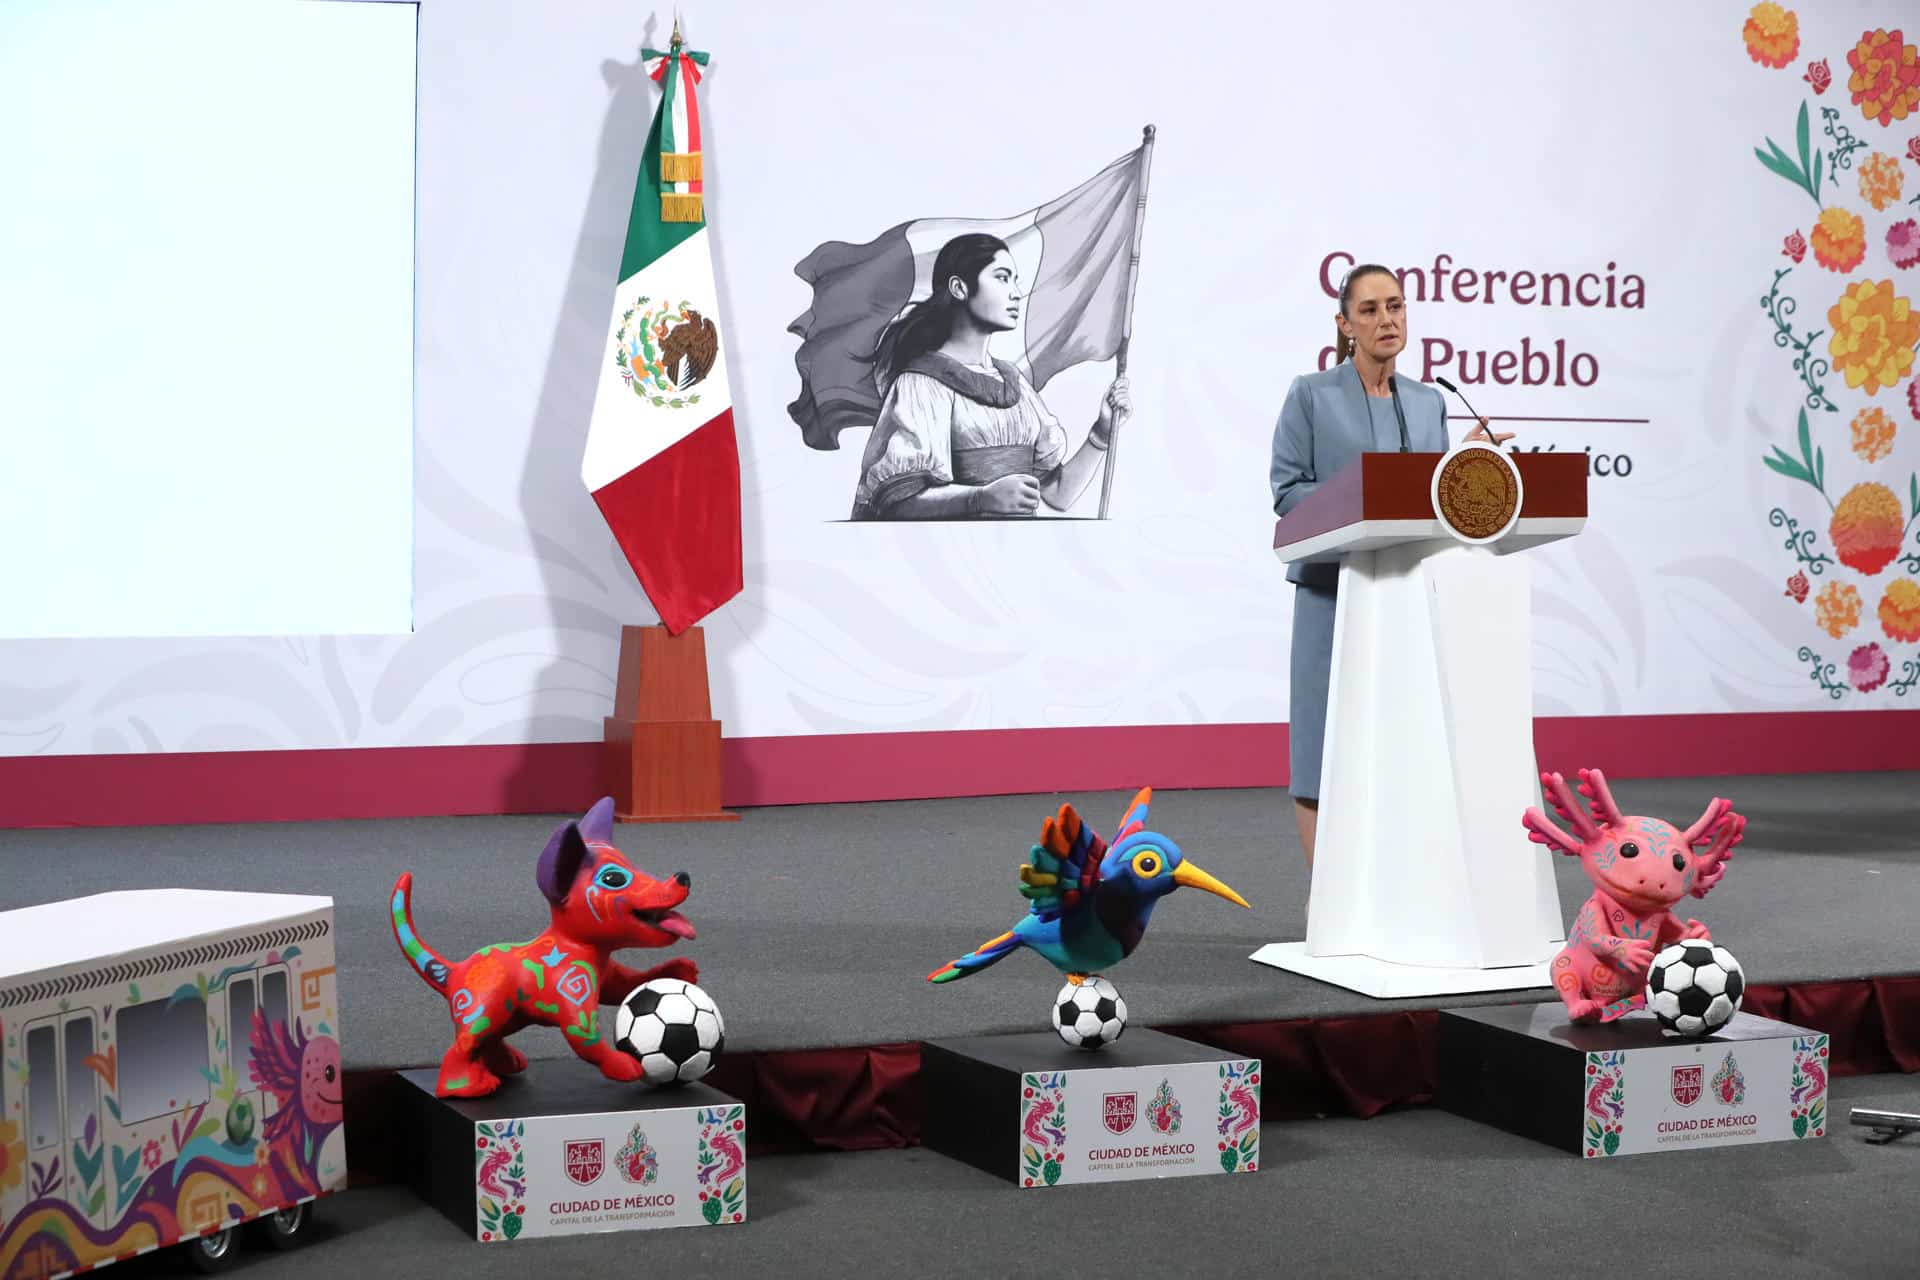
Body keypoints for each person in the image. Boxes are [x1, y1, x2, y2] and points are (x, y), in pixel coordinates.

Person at [1268, 264, 1513, 915]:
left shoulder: (1430, 402)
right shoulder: (1311, 395)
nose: (1387, 320)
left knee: (1399, 747)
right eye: (1371, 309)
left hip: (1405, 595)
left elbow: (1431, 499)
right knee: (1321, 747)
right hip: (1333, 590)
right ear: (1345, 324)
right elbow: (1287, 492)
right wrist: (1359, 498)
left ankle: (1394, 900)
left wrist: (1468, 465)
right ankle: (1330, 903)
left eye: (1396, 306)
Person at [850, 233, 1129, 519]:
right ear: (959, 288)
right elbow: (897, 504)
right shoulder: (922, 383)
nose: (1016, 293)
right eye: (1002, 278)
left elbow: (1058, 495)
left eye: (1015, 280)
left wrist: (1102, 432)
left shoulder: (1015, 383)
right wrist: (979, 498)